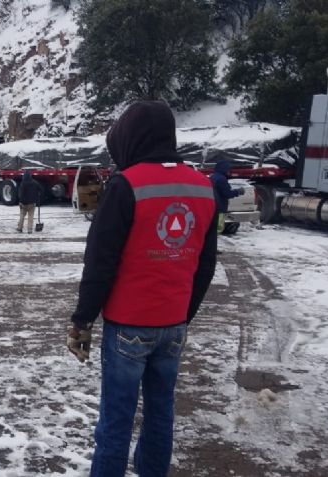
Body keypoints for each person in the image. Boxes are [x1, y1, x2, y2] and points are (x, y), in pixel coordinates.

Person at [66, 101, 217, 477]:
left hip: (128, 326)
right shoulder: (203, 186)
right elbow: (205, 264)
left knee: (115, 423)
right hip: (174, 326)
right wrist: (182, 314)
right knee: (160, 415)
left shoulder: (126, 185)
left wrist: (82, 320)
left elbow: (100, 263)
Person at [209, 160, 244, 235]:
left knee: (213, 224)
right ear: (224, 169)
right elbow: (227, 193)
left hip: (212, 205)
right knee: (219, 227)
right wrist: (238, 192)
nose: (229, 172)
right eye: (228, 169)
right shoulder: (222, 179)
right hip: (220, 207)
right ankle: (216, 238)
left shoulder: (212, 177)